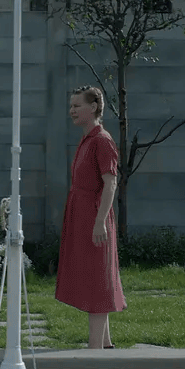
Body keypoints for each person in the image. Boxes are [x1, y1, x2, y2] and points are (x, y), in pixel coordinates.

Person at [55, 85, 125, 347]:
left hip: (95, 218)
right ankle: (105, 343)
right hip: (82, 215)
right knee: (92, 275)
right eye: (71, 105)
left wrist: (99, 222)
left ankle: (94, 348)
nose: (71, 110)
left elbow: (111, 183)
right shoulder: (87, 140)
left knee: (97, 279)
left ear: (93, 107)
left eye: (77, 105)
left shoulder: (102, 140)